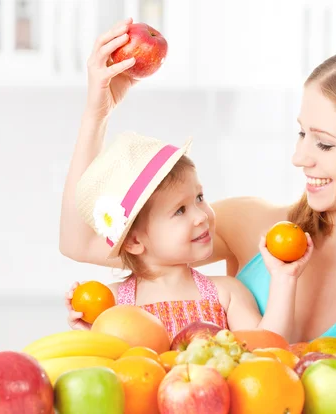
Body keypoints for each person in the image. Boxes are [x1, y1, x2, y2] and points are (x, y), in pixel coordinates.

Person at [59, 18, 336, 357]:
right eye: (301, 134)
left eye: (323, 143)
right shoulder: (253, 223)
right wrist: (98, 112)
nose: (300, 158)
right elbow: (81, 243)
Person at [64, 130, 313, 342]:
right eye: (180, 210)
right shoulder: (113, 304)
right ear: (135, 241)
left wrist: (284, 279)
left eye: (199, 198)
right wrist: (93, 334)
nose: (201, 216)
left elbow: (268, 348)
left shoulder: (226, 293)